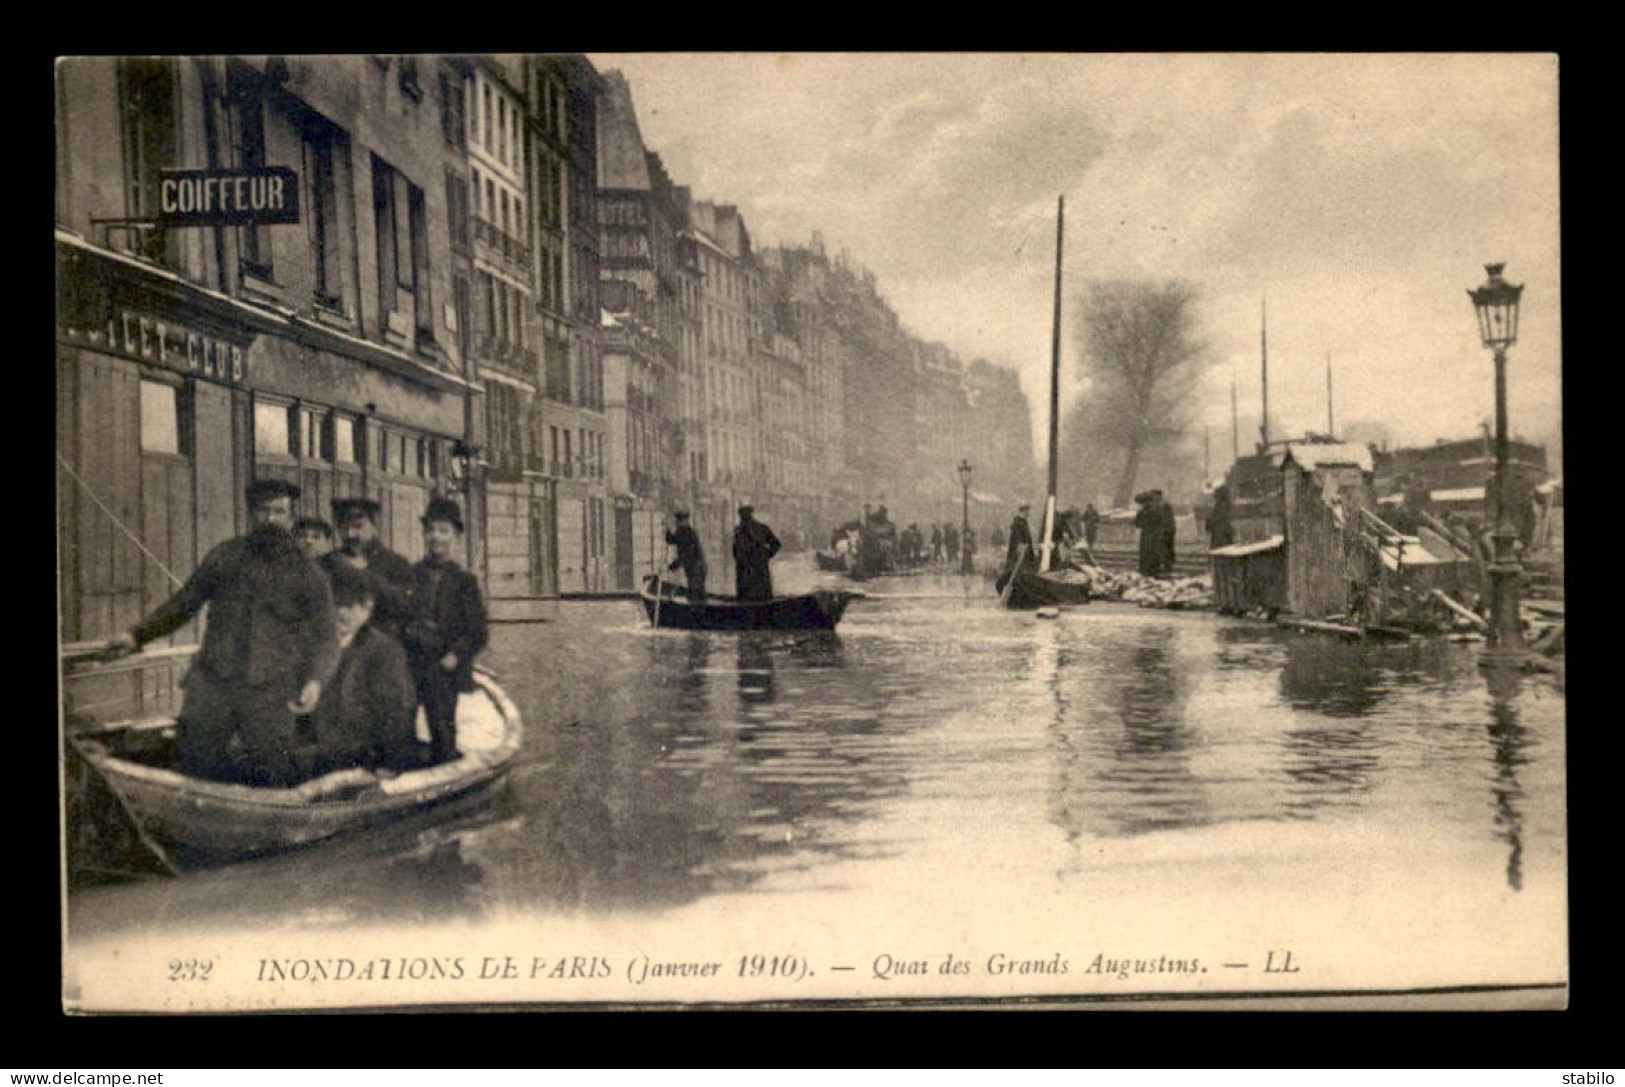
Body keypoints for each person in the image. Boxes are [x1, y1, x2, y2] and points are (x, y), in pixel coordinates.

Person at [110, 479, 337, 787]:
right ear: (251, 513)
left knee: (274, 771)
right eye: (263, 511)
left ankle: (271, 832)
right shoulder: (225, 556)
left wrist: (315, 681)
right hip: (214, 681)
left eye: (279, 511)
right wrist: (136, 636)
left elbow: (326, 636)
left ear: (290, 516)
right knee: (195, 762)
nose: (271, 519)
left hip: (270, 688)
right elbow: (184, 603)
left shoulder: (308, 573)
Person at [302, 564, 425, 777]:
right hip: (315, 756)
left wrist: (389, 764)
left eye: (350, 605)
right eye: (335, 604)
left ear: (367, 609)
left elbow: (396, 712)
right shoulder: (310, 646)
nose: (341, 613)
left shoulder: (384, 651)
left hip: (363, 761)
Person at [402, 497, 489, 765]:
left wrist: (454, 655)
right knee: (401, 721)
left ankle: (445, 770)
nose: (435, 537)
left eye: (443, 531)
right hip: (413, 662)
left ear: (456, 537)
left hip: (445, 666)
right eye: (430, 530)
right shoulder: (411, 574)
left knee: (441, 724)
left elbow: (477, 631)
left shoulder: (465, 582)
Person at [321, 497, 416, 639]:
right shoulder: (328, 563)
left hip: (381, 646)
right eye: (344, 527)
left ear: (374, 526)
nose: (350, 534)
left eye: (358, 526)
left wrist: (364, 574)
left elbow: (405, 607)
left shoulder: (396, 563)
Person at [733, 505, 782, 600]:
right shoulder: (738, 531)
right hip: (744, 571)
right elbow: (735, 549)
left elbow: (776, 544)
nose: (742, 520)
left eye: (744, 517)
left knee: (761, 597)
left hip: (757, 570)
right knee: (746, 599)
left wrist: (765, 556)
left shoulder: (762, 529)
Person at [665, 510, 707, 601]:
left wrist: (673, 566)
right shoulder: (684, 531)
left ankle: (695, 611)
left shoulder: (685, 532)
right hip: (696, 567)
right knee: (698, 593)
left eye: (678, 521)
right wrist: (667, 530)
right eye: (677, 520)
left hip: (696, 567)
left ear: (683, 521)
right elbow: (671, 540)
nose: (676, 522)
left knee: (694, 594)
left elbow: (685, 555)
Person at [1003, 504, 1034, 576]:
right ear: (1023, 511)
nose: (1029, 513)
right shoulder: (1018, 523)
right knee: (1016, 572)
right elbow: (1018, 540)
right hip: (1019, 554)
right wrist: (1021, 547)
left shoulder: (1023, 522)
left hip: (1024, 552)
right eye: (1028, 510)